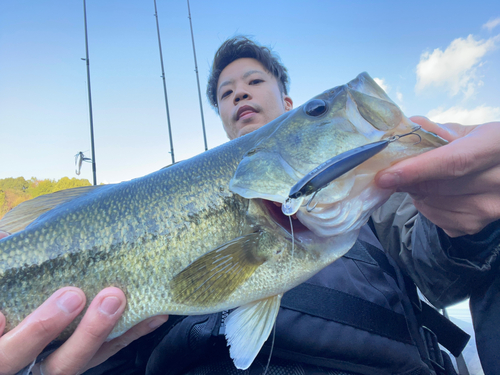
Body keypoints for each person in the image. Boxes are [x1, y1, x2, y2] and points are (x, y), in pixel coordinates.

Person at [1, 36, 499, 375]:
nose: (239, 91)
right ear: (222, 116)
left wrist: (477, 224)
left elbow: (444, 272)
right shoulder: (185, 189)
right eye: (225, 92)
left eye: (255, 81)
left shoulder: (376, 198)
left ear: (287, 103)